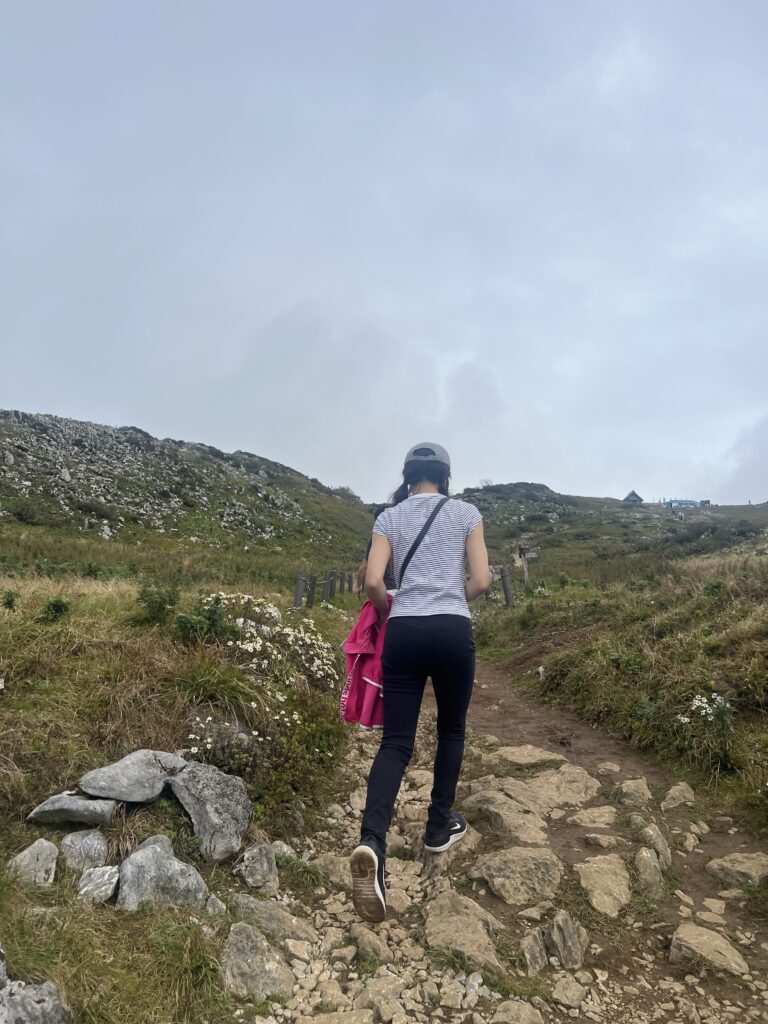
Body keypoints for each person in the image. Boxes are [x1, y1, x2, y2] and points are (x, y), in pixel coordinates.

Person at [349, 442, 490, 922]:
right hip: (451, 628)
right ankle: (437, 827)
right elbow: (482, 581)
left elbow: (373, 582)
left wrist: (391, 609)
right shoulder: (466, 513)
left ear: (408, 476)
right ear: (444, 476)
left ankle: (372, 843)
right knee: (451, 730)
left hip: (404, 630)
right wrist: (452, 597)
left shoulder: (389, 518)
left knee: (395, 742)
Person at [353, 505, 397, 597]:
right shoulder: (402, 536)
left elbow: (366, 566)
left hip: (385, 590)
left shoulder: (378, 538)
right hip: (405, 591)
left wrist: (357, 585)